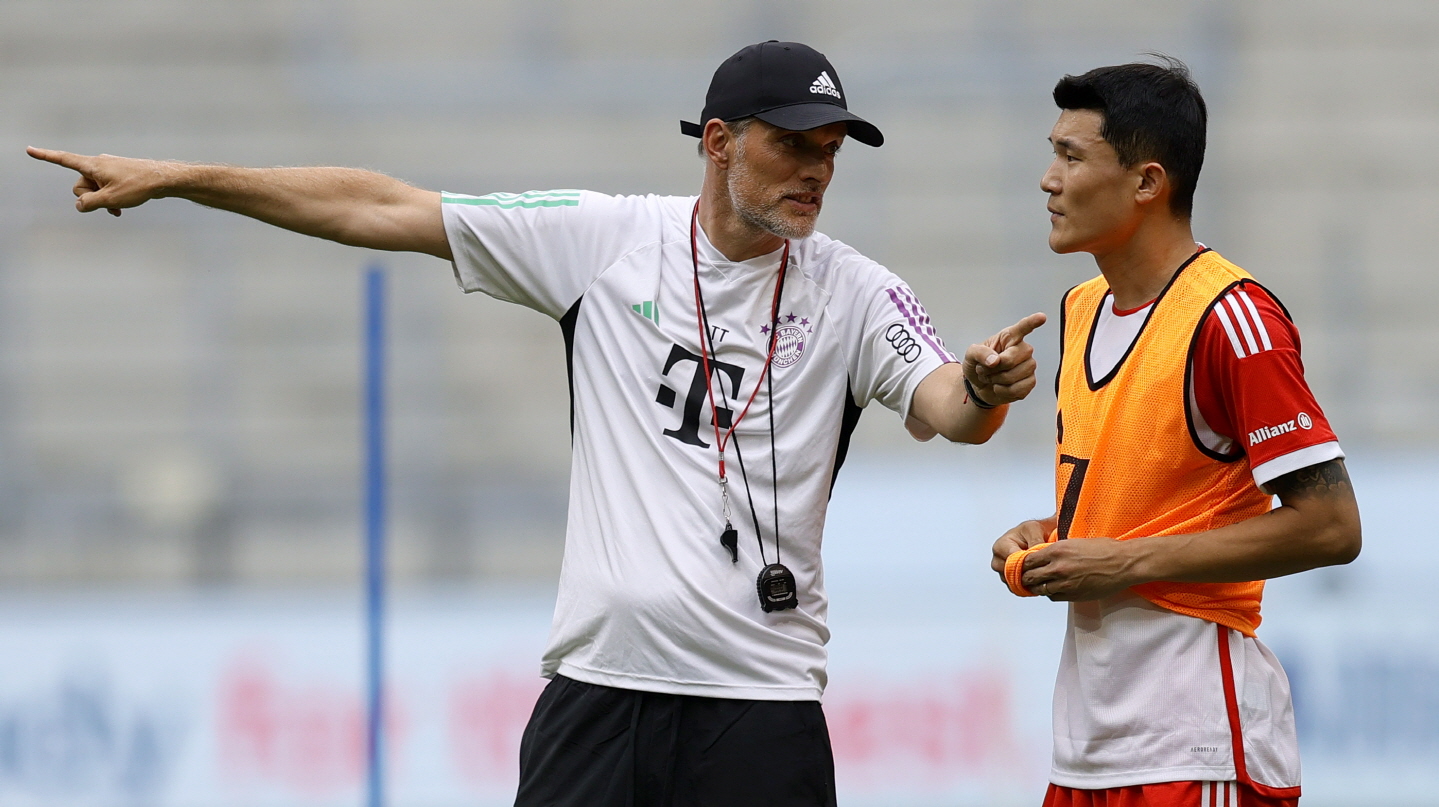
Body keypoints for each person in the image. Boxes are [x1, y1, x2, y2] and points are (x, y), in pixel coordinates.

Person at [31, 41, 1045, 806]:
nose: (814, 171)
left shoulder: (857, 292)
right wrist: (182, 177)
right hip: (598, 697)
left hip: (760, 708)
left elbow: (946, 410)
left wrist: (987, 388)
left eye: (828, 151)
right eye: (791, 145)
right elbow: (376, 206)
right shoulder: (603, 241)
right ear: (719, 143)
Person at [993, 58, 1361, 807]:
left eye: (1070, 156)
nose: (1046, 178)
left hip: (1197, 739)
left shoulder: (1234, 318)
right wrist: (1050, 535)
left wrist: (1121, 561)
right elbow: (1142, 507)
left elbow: (1330, 527)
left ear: (1146, 182)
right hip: (1087, 744)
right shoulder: (1080, 308)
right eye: (1050, 152)